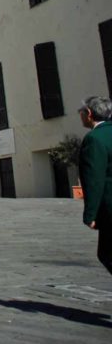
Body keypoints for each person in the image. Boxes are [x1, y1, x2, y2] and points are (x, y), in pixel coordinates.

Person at [78, 96, 112, 275]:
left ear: (89, 114)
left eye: (81, 113)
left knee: (106, 253)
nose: (81, 116)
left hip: (109, 207)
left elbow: (94, 179)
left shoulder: (94, 139)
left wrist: (90, 214)